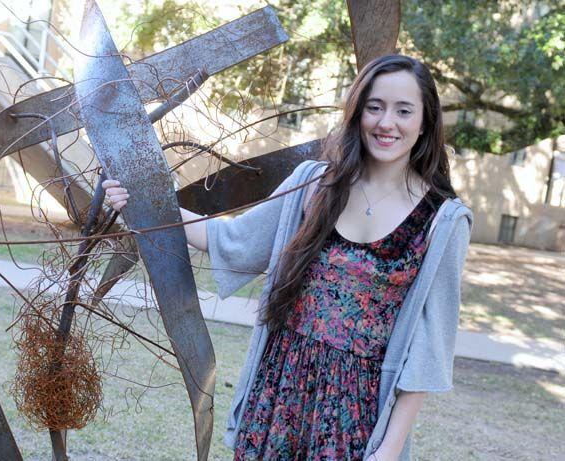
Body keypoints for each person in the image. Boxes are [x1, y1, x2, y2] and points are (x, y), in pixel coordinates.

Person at [103, 54, 473, 461]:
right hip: (279, 392)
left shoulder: (443, 220)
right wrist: (141, 202)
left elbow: (428, 349)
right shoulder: (314, 185)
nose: (387, 123)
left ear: (425, 121)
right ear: (357, 113)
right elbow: (226, 237)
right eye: (375, 107)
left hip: (357, 415)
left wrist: (389, 448)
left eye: (404, 110)